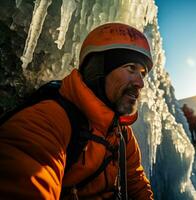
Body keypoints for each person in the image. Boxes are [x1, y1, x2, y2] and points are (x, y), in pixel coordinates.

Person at [0, 23, 154, 199]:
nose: (140, 83)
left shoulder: (122, 134)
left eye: (142, 73)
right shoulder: (48, 119)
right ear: (97, 69)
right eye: (131, 68)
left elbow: (135, 180)